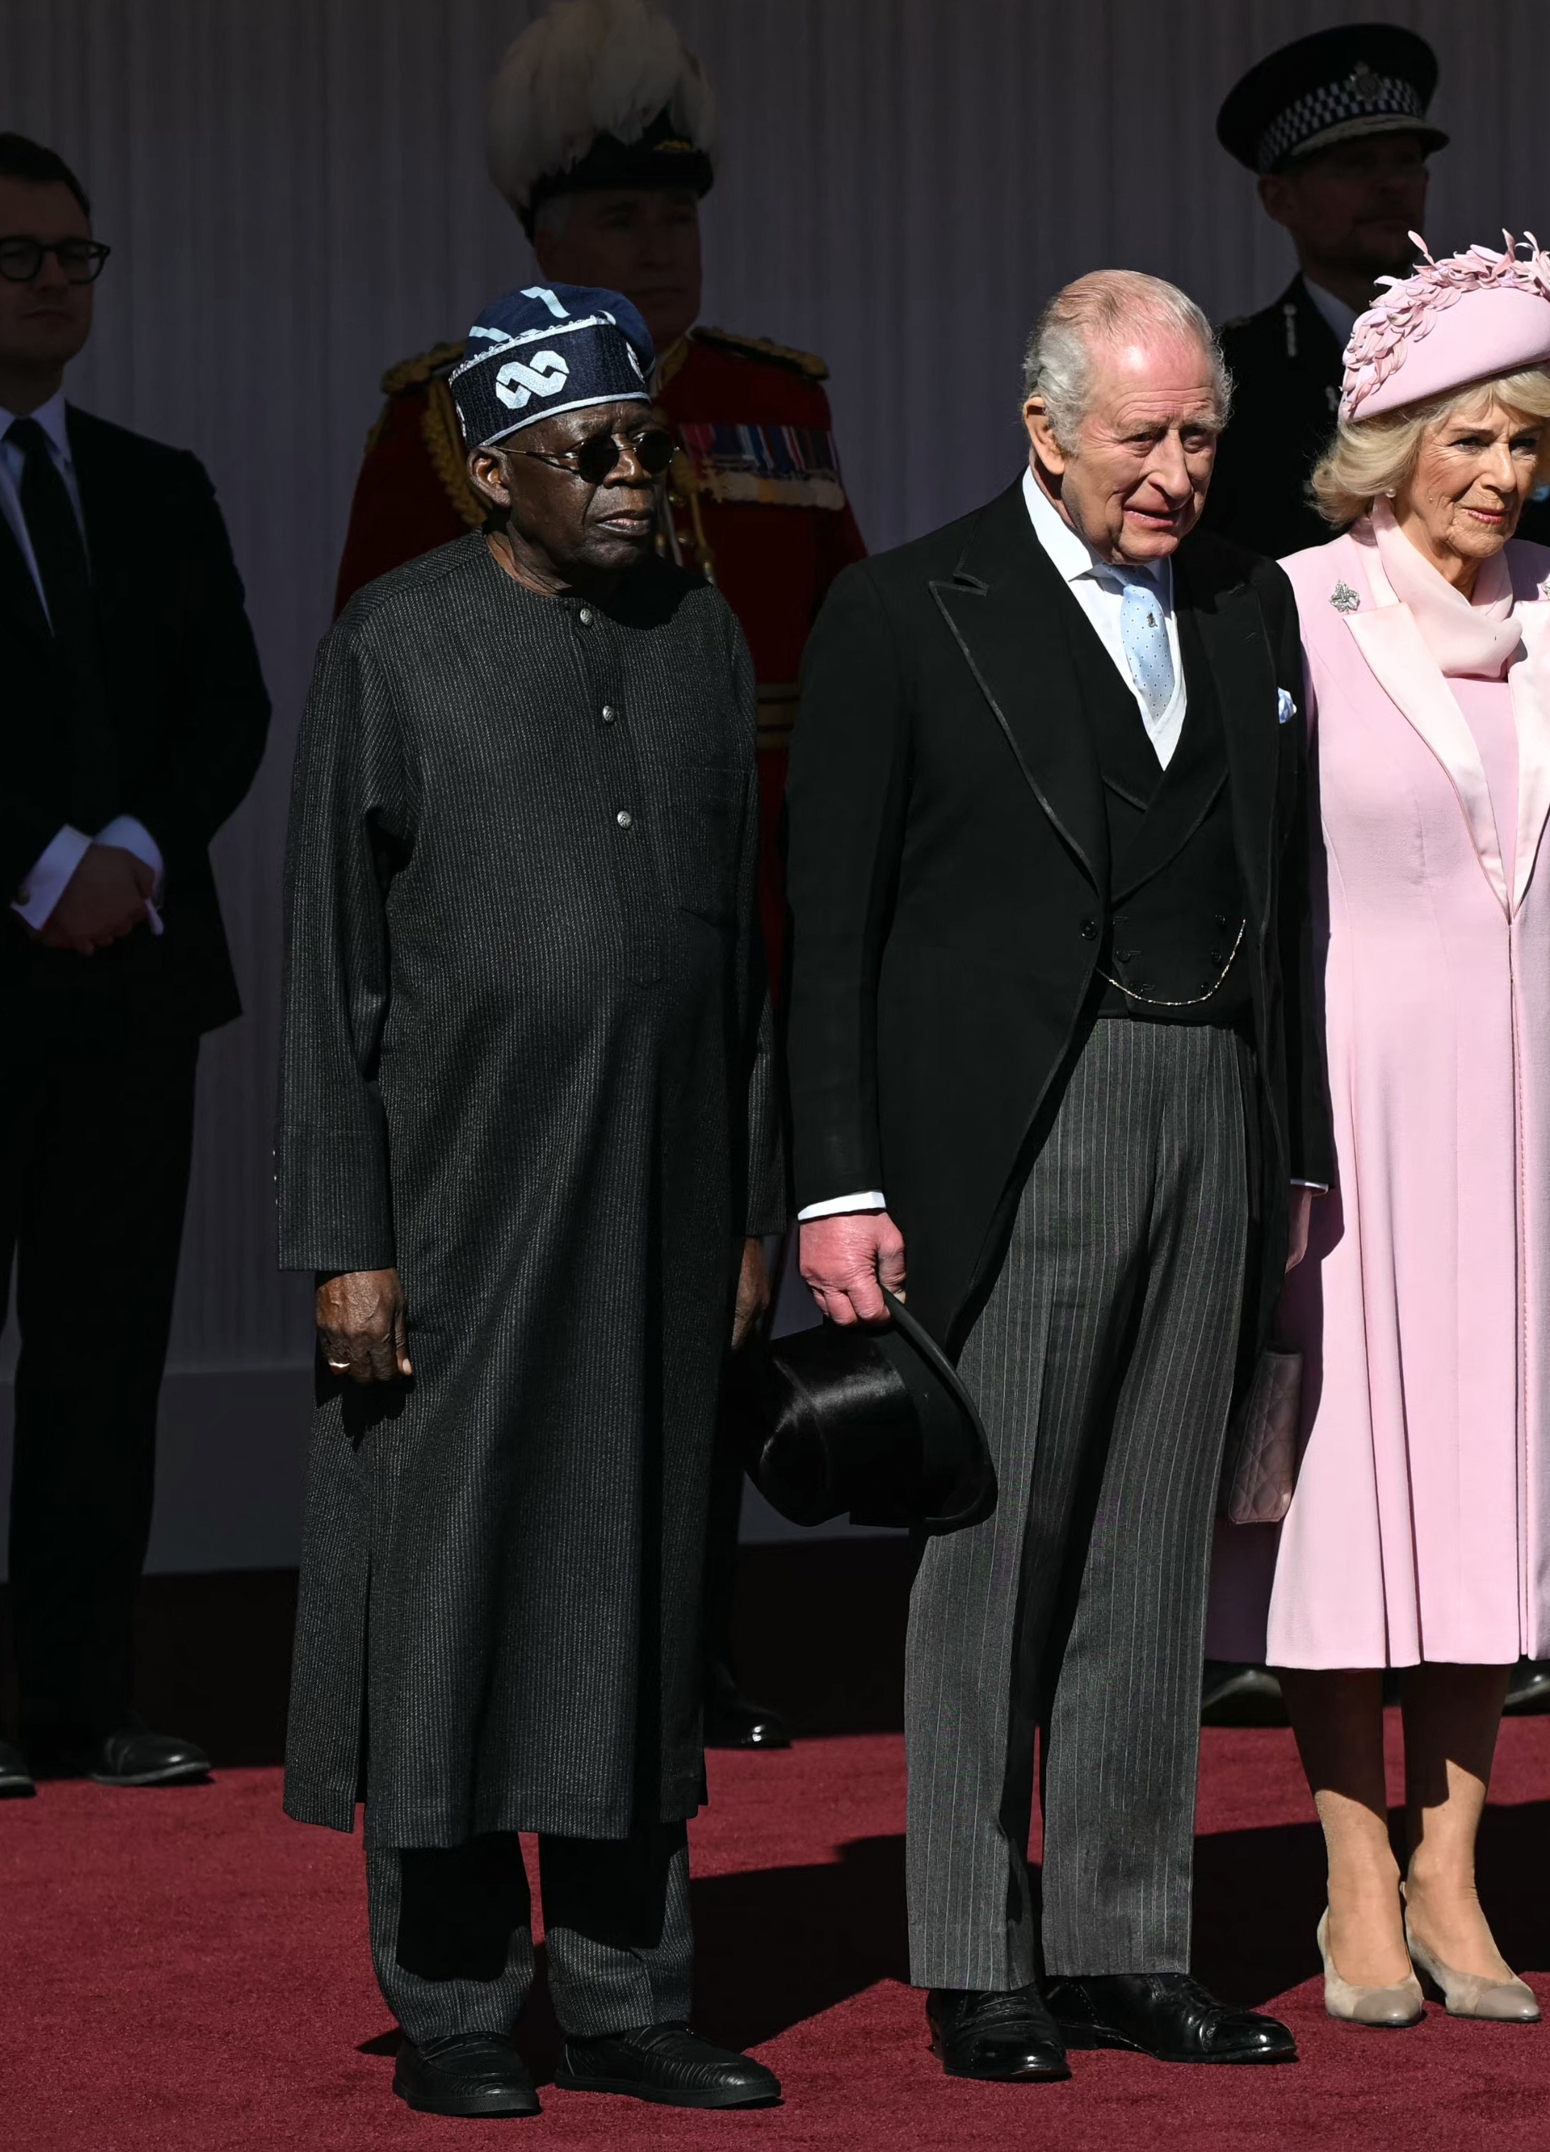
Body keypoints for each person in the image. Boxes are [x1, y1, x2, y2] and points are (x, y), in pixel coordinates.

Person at [786, 271, 1325, 2082]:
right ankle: (973, 1946)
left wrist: (1296, 1148)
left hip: (1210, 1109)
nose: (1175, 473)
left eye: (1200, 438)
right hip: (1009, 1123)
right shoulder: (901, 610)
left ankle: (1124, 1936)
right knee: (992, 1545)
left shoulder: (1251, 603)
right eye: (1141, 439)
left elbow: (1290, 894)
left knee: (1158, 1543)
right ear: (1043, 430)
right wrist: (836, 1184)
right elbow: (831, 933)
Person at [331, 0, 868, 1755]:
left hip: (751, 922)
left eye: (679, 218)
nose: (662, 251)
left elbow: (843, 668)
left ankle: (686, 1640)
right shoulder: (438, 426)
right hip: (543, 955)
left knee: (715, 1305)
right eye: (624, 222)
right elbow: (395, 719)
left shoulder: (778, 402)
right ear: (542, 241)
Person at [278, 283, 782, 2118]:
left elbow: (745, 965)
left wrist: (749, 1203)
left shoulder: (705, 640)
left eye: (647, 437)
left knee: (639, 1592)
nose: (637, 471)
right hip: (463, 1218)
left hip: (660, 1215)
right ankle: (459, 2005)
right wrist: (345, 1239)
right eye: (591, 449)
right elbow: (330, 965)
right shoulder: (394, 647)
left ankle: (631, 1993)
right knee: (456, 1600)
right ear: (497, 474)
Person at [1203, 237, 1550, 2029]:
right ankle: (1344, 1869)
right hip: (1355, 1086)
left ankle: (1456, 1870)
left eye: (1526, 440)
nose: (1499, 474)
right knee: (1348, 1498)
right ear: (1387, 441)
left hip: (1528, 1084)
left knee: (1490, 1477)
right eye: (1466, 438)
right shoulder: (1292, 605)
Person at [0, 133, 267, 1800]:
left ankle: (80, 1697)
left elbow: (224, 709)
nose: (53, 281)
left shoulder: (154, 478)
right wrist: (41, 869)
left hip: (132, 983)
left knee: (103, 1361)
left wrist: (136, 855)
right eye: (21, 253)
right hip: (16, 949)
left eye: (76, 255)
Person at [1197, 23, 1550, 568]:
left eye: (1404, 160)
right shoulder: (1234, 371)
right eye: (1357, 164)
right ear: (1279, 198)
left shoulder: (1491, 349)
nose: (1390, 184)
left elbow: (1537, 552)